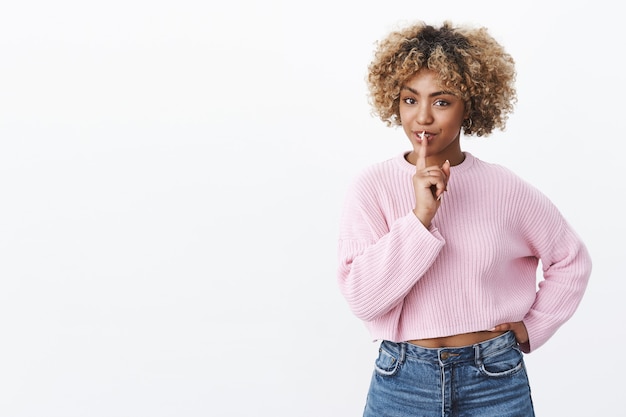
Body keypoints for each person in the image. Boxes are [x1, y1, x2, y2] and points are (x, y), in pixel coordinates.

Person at [336, 21, 592, 417]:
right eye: (409, 100)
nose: (422, 117)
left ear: (470, 104)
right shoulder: (372, 187)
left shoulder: (504, 187)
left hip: (493, 379)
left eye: (441, 101)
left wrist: (533, 326)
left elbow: (571, 259)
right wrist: (420, 217)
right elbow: (364, 299)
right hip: (403, 381)